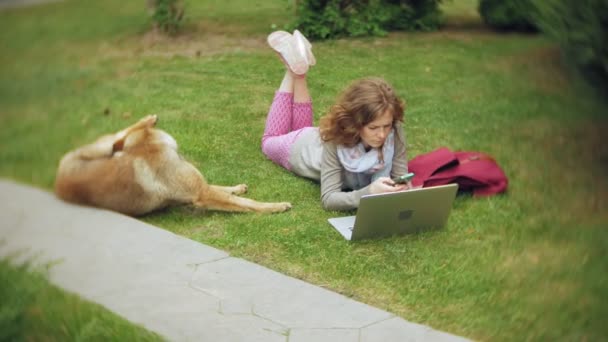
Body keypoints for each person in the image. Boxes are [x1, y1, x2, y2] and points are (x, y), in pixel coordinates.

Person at [261, 30, 412, 211]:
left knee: (303, 127)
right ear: (356, 123)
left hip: (314, 137)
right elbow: (329, 199)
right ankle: (291, 71)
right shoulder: (336, 139)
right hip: (297, 149)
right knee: (269, 139)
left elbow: (401, 174)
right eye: (373, 128)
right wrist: (369, 191)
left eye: (386, 126)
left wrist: (405, 189)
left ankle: (299, 73)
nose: (382, 134)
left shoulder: (394, 130)